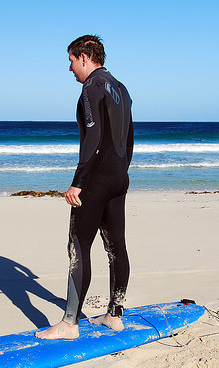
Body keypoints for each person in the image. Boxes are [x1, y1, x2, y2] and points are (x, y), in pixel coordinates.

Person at [36, 35, 134, 339]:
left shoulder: (91, 87)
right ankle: (114, 315)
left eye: (70, 61)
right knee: (116, 245)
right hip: (119, 177)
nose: (69, 69)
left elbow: (92, 138)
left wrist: (78, 183)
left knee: (78, 247)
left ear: (83, 57)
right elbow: (128, 139)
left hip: (96, 181)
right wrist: (120, 171)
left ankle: (69, 323)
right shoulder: (121, 87)